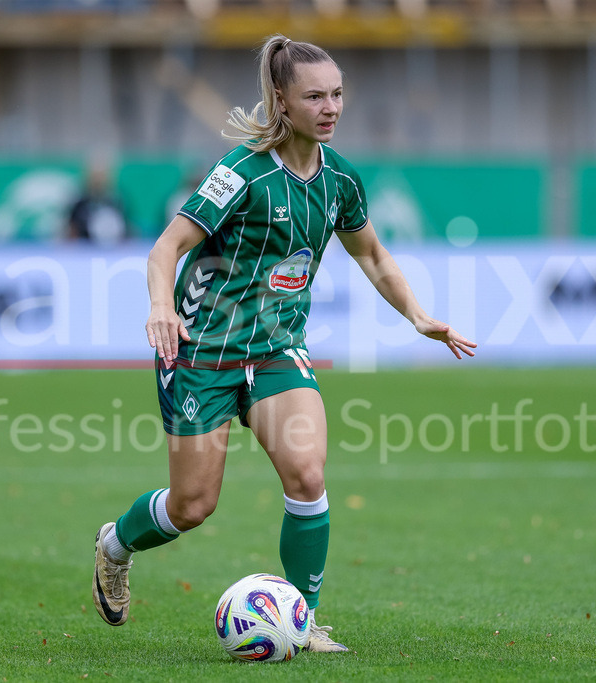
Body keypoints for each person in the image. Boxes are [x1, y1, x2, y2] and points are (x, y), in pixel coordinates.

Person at [92, 34, 476, 653]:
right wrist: (161, 306)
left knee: (306, 473)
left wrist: (418, 315)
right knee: (193, 505)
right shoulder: (241, 173)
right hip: (203, 352)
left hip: (275, 349)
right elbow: (167, 248)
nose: (332, 107)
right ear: (281, 100)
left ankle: (306, 620)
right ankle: (116, 544)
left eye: (339, 94)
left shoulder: (340, 180)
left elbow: (372, 255)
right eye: (316, 96)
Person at [67, 165, 128, 244]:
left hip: (113, 251)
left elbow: (127, 231)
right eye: (95, 176)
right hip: (84, 250)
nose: (98, 180)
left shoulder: (117, 201)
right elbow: (72, 231)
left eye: (101, 176)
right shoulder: (80, 203)